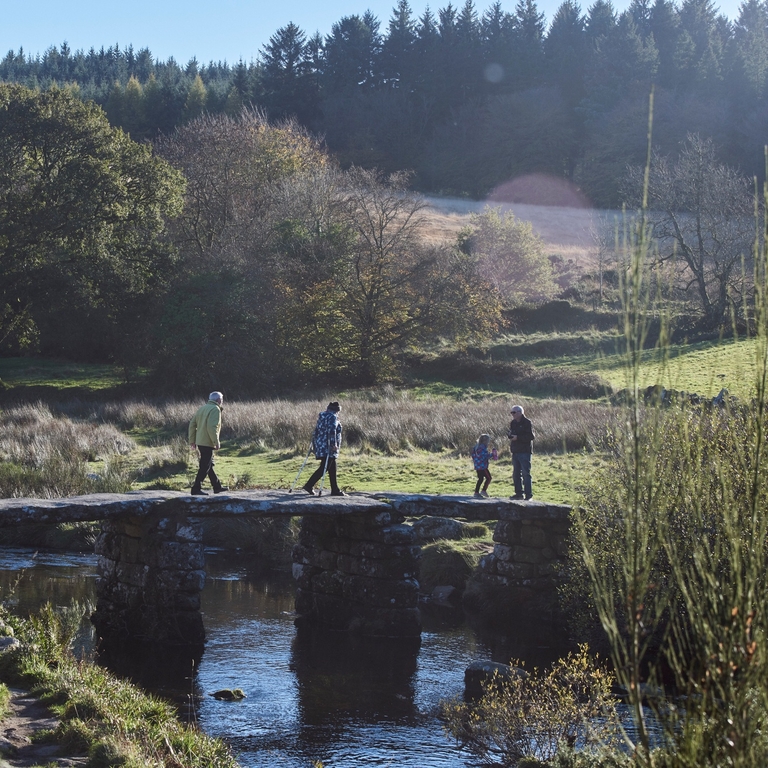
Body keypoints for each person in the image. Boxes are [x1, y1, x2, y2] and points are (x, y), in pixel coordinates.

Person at [188, 391, 228, 496]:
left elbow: (192, 424)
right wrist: (216, 442)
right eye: (222, 400)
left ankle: (217, 486)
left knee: (209, 464)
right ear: (219, 400)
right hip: (207, 442)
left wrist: (192, 440)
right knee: (205, 466)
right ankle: (196, 488)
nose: (222, 401)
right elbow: (212, 427)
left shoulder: (202, 408)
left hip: (200, 441)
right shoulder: (215, 409)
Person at [303, 401, 346, 496]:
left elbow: (316, 431)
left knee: (331, 467)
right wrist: (334, 444)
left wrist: (314, 444)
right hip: (329, 446)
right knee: (324, 467)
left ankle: (335, 489)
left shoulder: (322, 416)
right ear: (337, 410)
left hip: (320, 444)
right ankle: (308, 485)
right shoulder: (333, 417)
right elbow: (332, 431)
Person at [507, 404, 534, 500]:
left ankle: (528, 495)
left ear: (520, 412)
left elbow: (531, 437)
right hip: (515, 451)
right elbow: (511, 433)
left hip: (525, 451)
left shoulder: (527, 422)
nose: (512, 414)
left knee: (526, 473)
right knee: (516, 474)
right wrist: (510, 435)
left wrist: (518, 438)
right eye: (511, 412)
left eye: (513, 412)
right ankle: (519, 494)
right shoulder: (513, 423)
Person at [471, 434, 497, 498]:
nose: (488, 442)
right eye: (488, 441)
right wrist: (492, 454)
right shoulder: (482, 448)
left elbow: (474, 456)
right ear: (485, 441)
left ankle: (476, 492)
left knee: (480, 479)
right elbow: (485, 456)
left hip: (477, 466)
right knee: (489, 478)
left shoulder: (476, 447)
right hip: (482, 466)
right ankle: (483, 490)